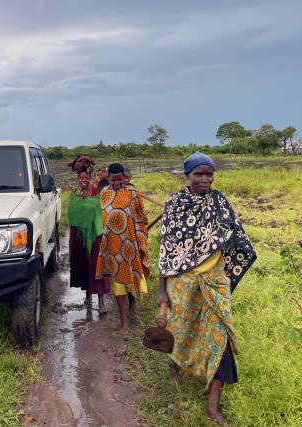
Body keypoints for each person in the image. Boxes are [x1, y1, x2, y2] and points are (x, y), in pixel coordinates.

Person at [156, 152, 256, 425]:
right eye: (198, 174)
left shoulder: (220, 202)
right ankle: (176, 363)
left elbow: (237, 236)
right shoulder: (175, 205)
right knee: (182, 328)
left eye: (209, 174)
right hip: (183, 282)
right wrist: (161, 291)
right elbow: (166, 249)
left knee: (220, 337)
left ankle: (213, 406)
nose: (204, 179)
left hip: (214, 281)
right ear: (187, 175)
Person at [96, 163, 150, 333]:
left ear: (124, 177)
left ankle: (132, 307)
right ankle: (124, 322)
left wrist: (141, 239)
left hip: (131, 244)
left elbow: (141, 218)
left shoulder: (133, 193)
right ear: (108, 178)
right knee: (119, 284)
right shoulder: (104, 194)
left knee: (133, 277)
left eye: (120, 179)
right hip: (113, 246)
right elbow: (106, 219)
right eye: (114, 180)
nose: (118, 183)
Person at [68, 164, 111, 315]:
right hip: (80, 236)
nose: (83, 180)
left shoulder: (96, 192)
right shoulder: (76, 193)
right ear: (78, 179)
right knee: (85, 266)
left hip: (94, 235)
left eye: (86, 177)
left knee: (97, 267)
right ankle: (88, 297)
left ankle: (101, 301)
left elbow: (100, 211)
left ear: (91, 178)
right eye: (81, 178)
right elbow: (73, 215)